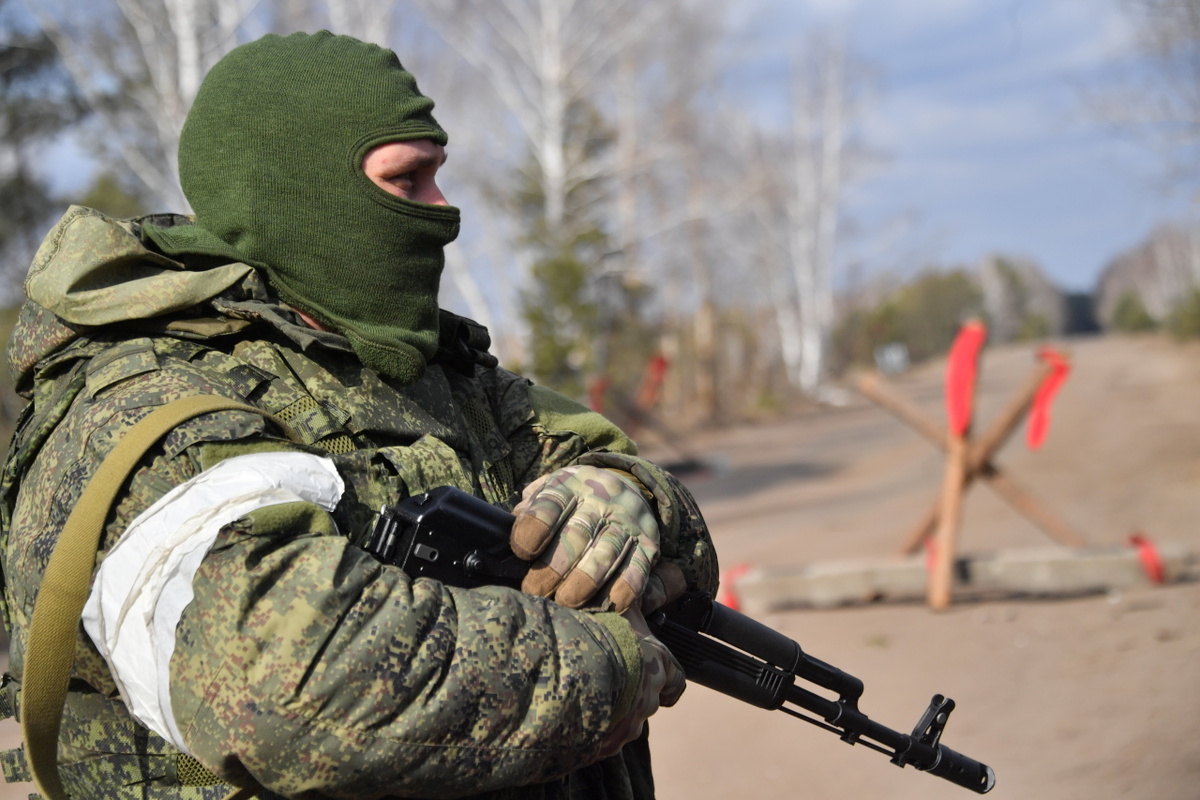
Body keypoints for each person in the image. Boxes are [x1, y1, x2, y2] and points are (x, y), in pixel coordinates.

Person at [0, 31, 718, 800]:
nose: (444, 213)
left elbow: (646, 509)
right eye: (408, 184)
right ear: (304, 193)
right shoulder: (147, 404)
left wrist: (628, 498)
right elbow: (294, 692)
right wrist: (612, 669)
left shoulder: (430, 375)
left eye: (438, 178)